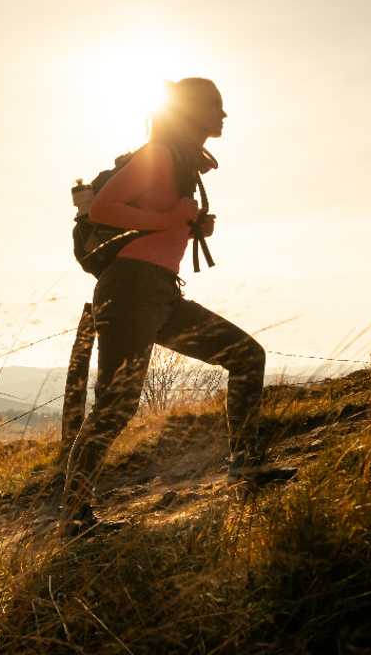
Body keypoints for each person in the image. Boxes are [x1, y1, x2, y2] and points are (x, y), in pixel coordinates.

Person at [59, 77, 291, 534]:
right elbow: (105, 207)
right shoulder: (160, 154)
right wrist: (167, 219)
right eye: (215, 106)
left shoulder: (183, 163)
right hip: (130, 290)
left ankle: (246, 469)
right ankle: (73, 517)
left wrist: (192, 227)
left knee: (246, 356)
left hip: (161, 293)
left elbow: (156, 222)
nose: (223, 115)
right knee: (116, 406)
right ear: (192, 111)